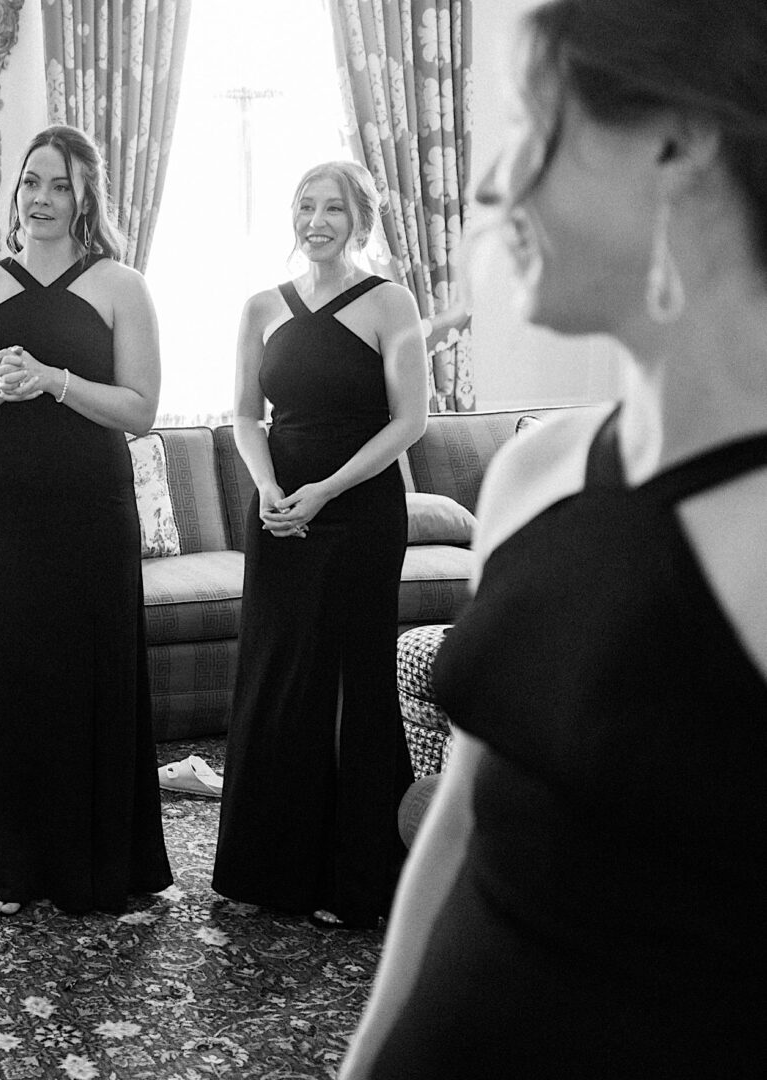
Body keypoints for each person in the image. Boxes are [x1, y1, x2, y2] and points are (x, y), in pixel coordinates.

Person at [343, 1, 767, 1074]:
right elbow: (463, 828)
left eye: (537, 123)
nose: (491, 185)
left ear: (675, 141)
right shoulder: (538, 473)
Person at [0, 125, 174, 916]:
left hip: (91, 509)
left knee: (83, 673)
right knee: (1, 674)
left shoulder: (121, 286)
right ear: (13, 192)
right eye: (31, 182)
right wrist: (2, 387)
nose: (42, 198)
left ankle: (88, 857)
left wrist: (56, 381)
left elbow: (140, 410)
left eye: (59, 184)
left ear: (85, 194)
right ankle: (1, 860)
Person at [211, 160, 428, 930]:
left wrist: (327, 491)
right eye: (305, 206)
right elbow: (243, 414)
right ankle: (267, 868)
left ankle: (353, 875)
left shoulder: (389, 302)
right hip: (277, 511)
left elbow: (410, 421)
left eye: (334, 208)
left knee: (351, 680)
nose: (317, 220)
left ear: (360, 220)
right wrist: (268, 491)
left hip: (360, 511)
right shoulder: (261, 306)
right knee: (277, 677)